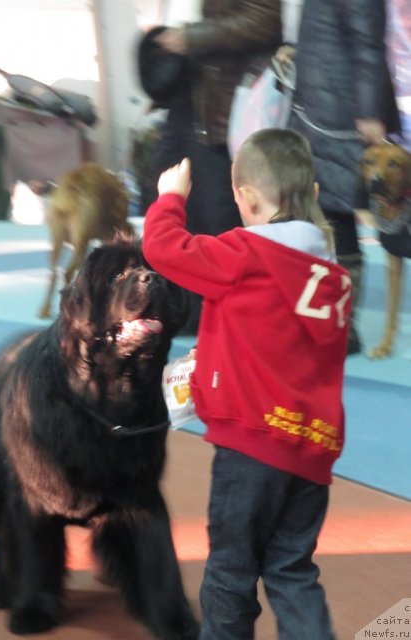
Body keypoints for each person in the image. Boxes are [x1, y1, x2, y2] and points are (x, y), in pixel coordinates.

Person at [143, 129, 351, 639]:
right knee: (291, 570)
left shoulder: (245, 254)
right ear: (315, 196)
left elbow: (164, 248)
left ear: (246, 197)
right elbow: (283, 346)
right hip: (312, 450)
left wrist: (171, 199)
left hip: (252, 448)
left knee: (231, 572)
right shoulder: (332, 275)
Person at [145, 0, 282, 334]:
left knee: (216, 214)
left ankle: (224, 315)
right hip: (193, 92)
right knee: (174, 198)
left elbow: (265, 21)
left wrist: (192, 37)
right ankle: (187, 311)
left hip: (228, 101)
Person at [288, 0, 401, 354]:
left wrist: (369, 108)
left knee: (337, 218)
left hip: (340, 115)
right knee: (327, 217)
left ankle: (342, 328)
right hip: (322, 106)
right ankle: (333, 324)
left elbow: (368, 40)